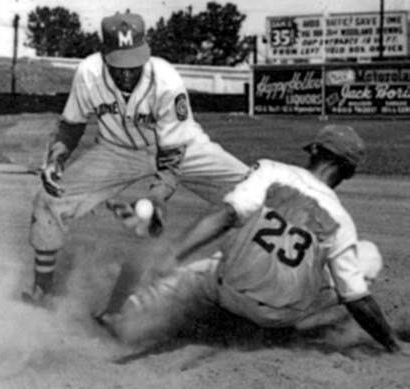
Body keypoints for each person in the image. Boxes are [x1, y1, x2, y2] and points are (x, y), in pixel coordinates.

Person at [94, 125, 409, 355]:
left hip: (227, 291)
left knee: (194, 273)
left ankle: (124, 318)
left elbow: (226, 215)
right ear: (349, 172)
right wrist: (392, 343)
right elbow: (356, 299)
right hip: (281, 316)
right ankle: (274, 327)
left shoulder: (270, 171)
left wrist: (174, 253)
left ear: (313, 151)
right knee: (367, 256)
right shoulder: (342, 222)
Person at [23, 11, 249, 304]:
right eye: (120, 64)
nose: (128, 73)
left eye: (135, 63)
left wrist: (157, 197)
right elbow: (71, 125)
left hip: (182, 147)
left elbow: (171, 158)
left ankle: (259, 282)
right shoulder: (88, 73)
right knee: (48, 199)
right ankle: (43, 291)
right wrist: (56, 159)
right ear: (103, 55)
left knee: (256, 191)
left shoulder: (165, 79)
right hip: (117, 151)